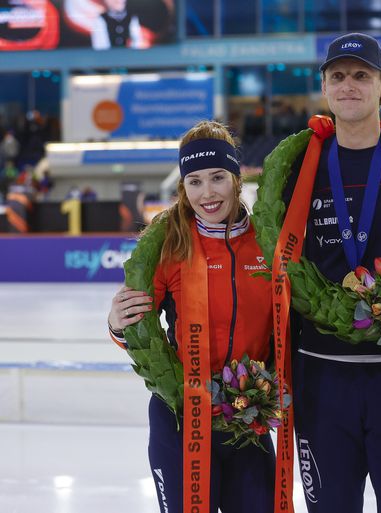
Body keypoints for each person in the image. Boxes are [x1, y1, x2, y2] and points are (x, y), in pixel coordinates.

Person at [285, 33, 381, 513]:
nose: (348, 85)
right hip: (321, 373)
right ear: (326, 89)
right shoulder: (300, 159)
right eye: (337, 76)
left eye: (361, 75)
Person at [106, 120, 275, 513]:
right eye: (194, 182)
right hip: (180, 417)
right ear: (183, 188)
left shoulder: (268, 244)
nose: (207, 193)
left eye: (217, 177)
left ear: (237, 178)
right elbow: (136, 330)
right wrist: (116, 323)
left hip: (246, 417)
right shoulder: (170, 247)